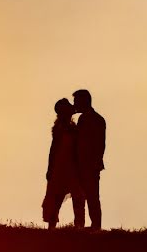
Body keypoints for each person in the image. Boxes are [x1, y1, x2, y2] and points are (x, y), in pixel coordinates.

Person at [42, 98, 85, 229]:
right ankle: (55, 225)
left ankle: (78, 226)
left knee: (76, 197)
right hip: (63, 166)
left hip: (69, 166)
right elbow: (53, 150)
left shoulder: (70, 128)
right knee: (58, 197)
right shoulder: (62, 129)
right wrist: (50, 168)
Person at [73, 89, 106, 230]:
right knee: (82, 196)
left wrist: (94, 162)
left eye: (76, 102)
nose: (75, 105)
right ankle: (83, 225)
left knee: (91, 196)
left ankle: (94, 226)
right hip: (83, 164)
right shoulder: (88, 118)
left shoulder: (94, 119)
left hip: (89, 165)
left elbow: (99, 144)